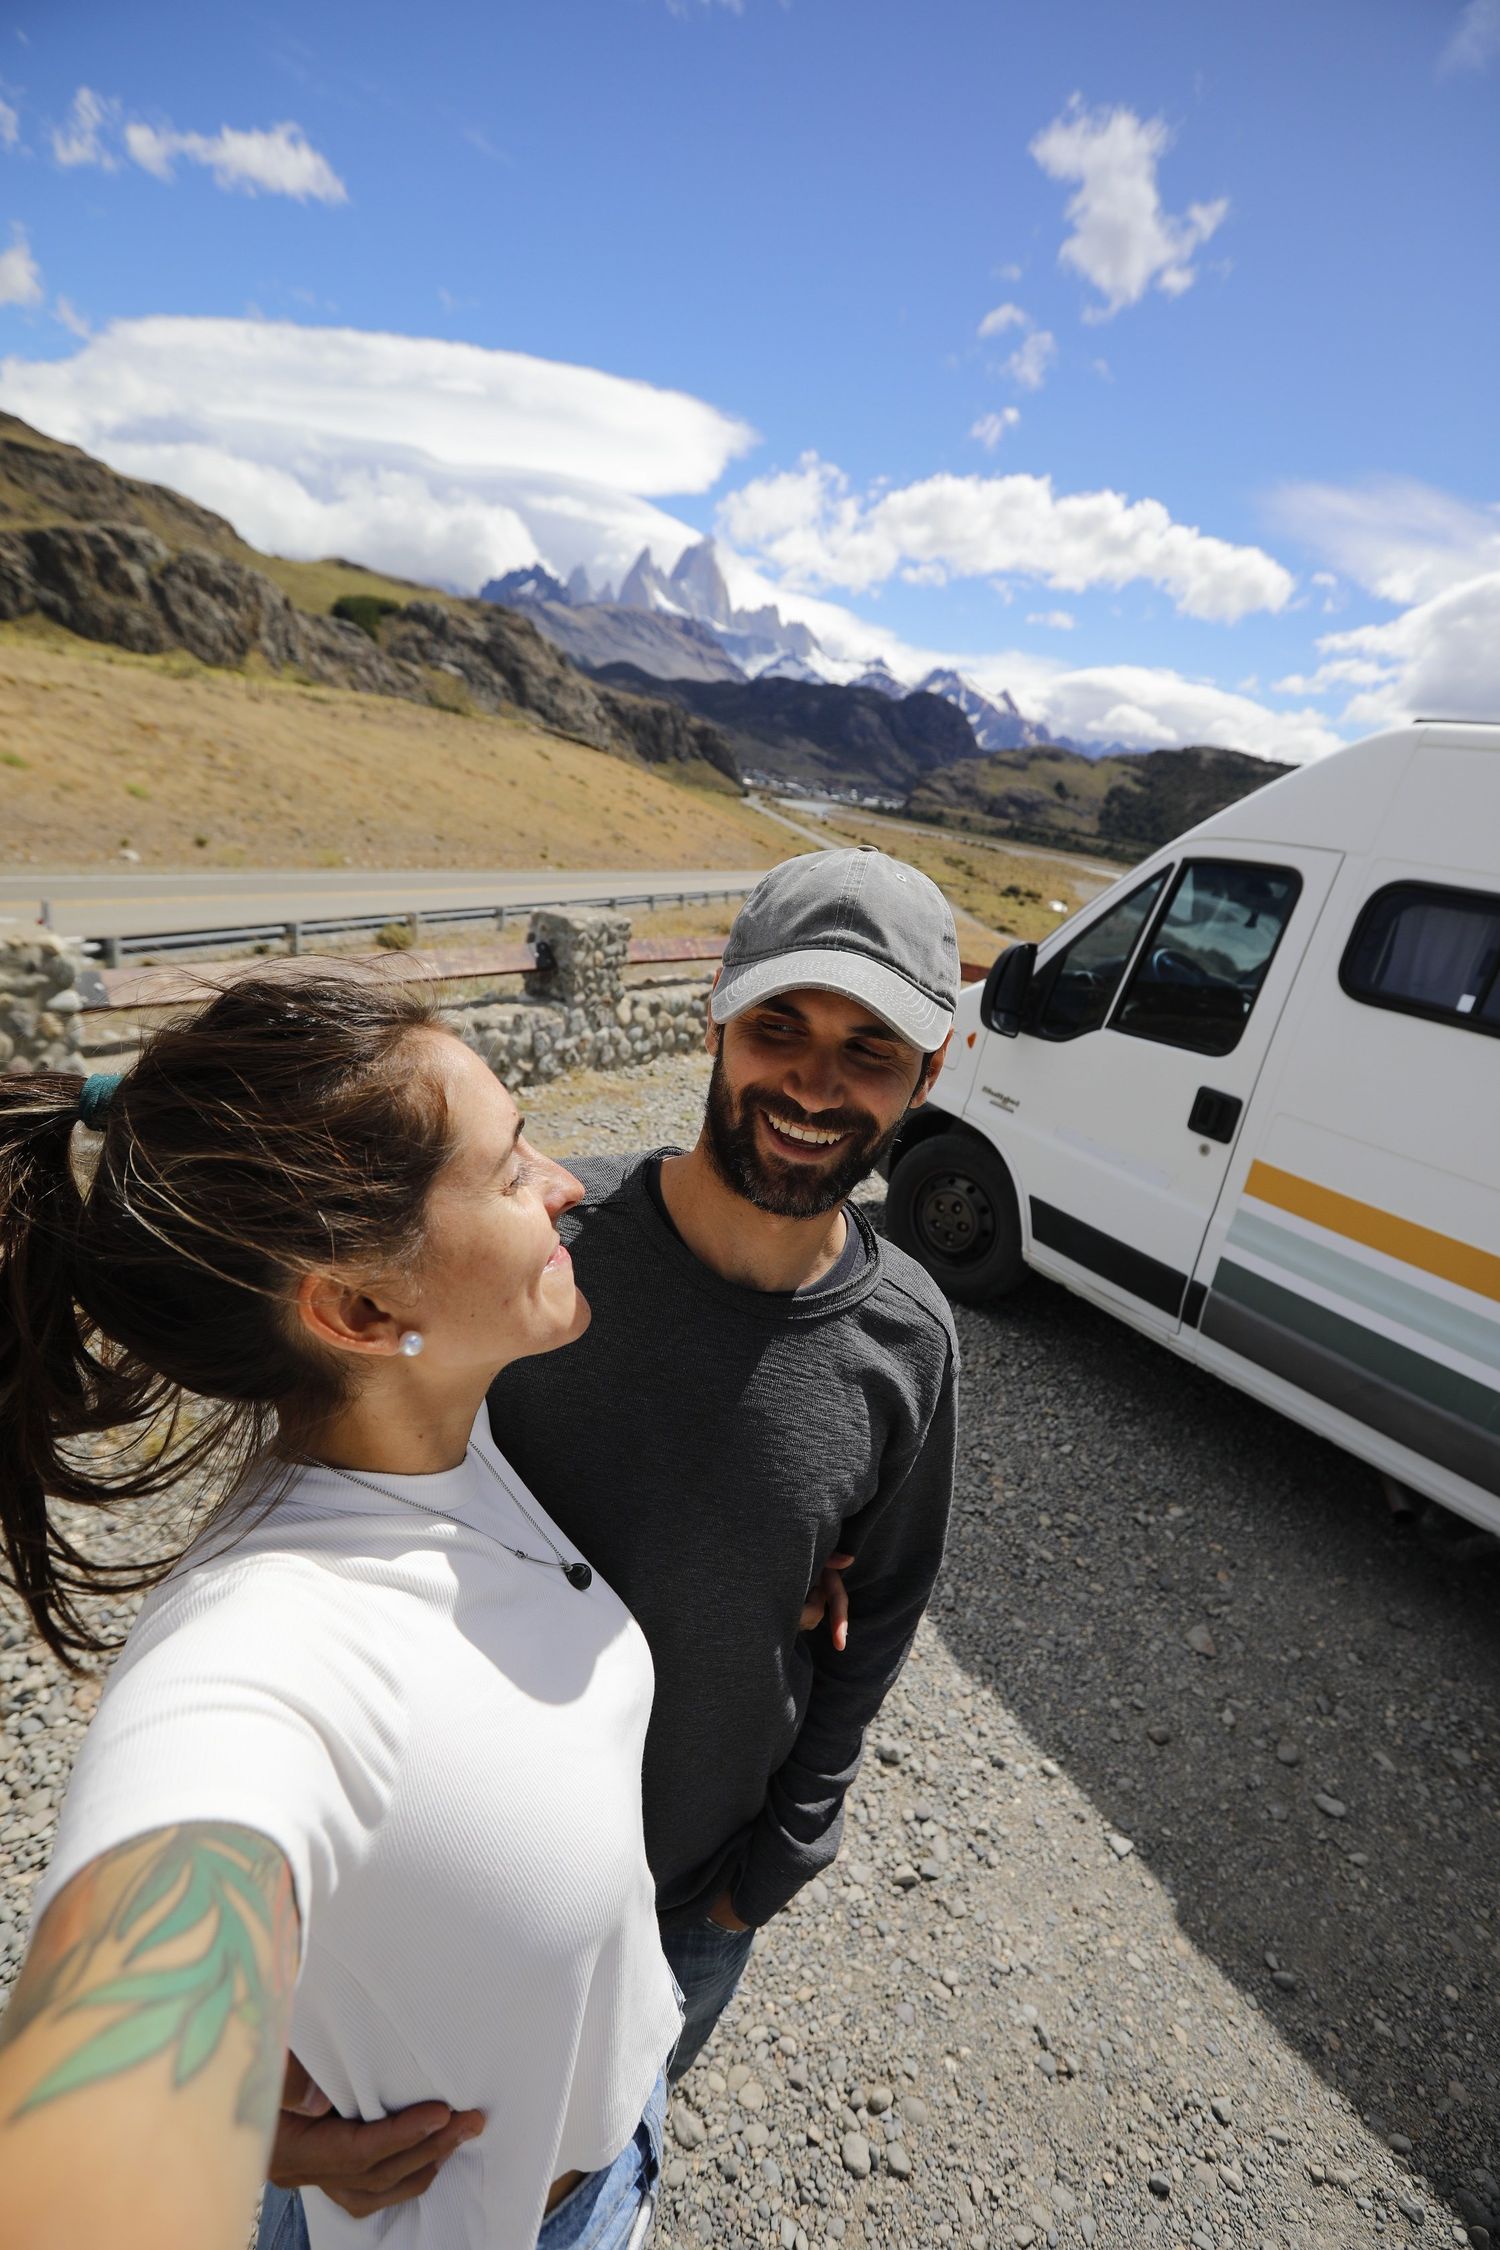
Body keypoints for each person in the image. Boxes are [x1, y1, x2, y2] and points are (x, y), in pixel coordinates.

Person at [268, 845, 962, 2229]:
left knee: (574, 2183)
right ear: (715, 1017)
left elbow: (875, 1614)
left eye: (869, 1049)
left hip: (681, 1901)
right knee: (343, 2200)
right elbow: (327, 1507)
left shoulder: (910, 1345)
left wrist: (771, 1865)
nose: (816, 1083)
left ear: (927, 1078)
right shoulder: (533, 1257)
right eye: (781, 1026)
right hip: (427, 1897)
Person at [0, 973, 682, 2250]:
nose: (568, 1184)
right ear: (362, 1310)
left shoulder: (434, 1440)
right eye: (509, 1166)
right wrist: (209, 2126)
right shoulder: (259, 1649)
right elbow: (105, 2107)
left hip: (611, 2155)